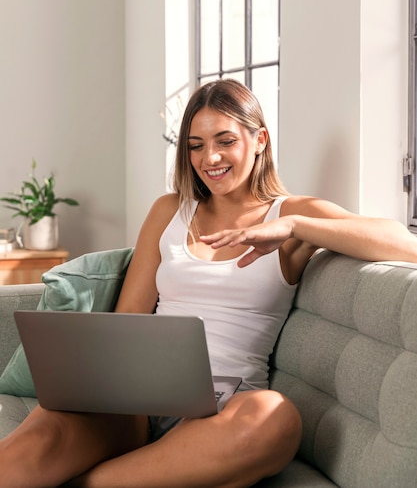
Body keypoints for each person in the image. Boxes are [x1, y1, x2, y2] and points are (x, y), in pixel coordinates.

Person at [2, 79, 417, 488]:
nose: (210, 157)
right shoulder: (169, 210)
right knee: (46, 430)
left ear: (259, 141)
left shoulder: (288, 215)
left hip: (225, 415)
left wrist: (292, 226)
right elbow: (129, 318)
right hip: (138, 406)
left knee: (276, 417)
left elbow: (404, 244)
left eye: (225, 141)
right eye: (196, 146)